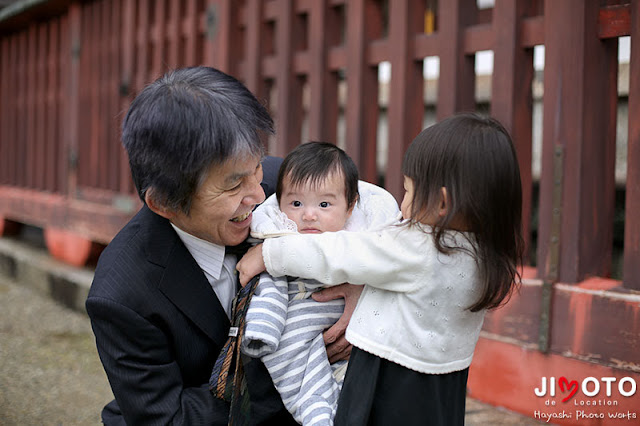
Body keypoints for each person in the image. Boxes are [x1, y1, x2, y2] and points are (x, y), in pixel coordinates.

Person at [85, 66, 356, 425]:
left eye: (256, 167)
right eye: (232, 186)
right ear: (165, 203)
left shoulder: (287, 188)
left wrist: (362, 283)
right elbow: (168, 419)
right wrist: (290, 363)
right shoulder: (122, 295)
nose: (258, 196)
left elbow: (376, 219)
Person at [237, 113, 524, 425]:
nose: (402, 206)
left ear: (442, 203)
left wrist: (270, 253)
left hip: (388, 379)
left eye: (410, 192)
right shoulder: (483, 254)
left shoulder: (419, 246)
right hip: (445, 385)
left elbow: (342, 253)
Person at [240, 142, 400, 425]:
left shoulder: (363, 238)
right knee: (302, 382)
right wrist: (263, 329)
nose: (309, 215)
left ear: (350, 207)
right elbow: (270, 284)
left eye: (324, 204)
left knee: (359, 391)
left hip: (355, 339)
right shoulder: (279, 234)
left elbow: (387, 272)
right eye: (296, 204)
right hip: (295, 332)